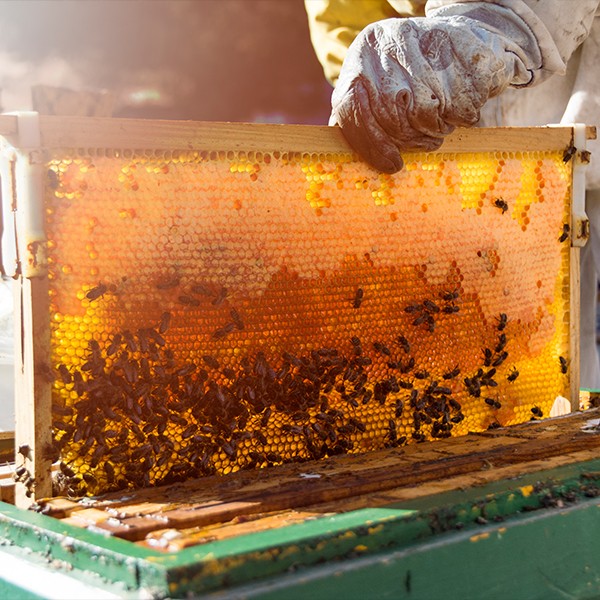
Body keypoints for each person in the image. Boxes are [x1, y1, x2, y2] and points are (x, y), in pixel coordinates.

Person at [305, 0, 600, 390]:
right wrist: (389, 80)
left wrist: (485, 26)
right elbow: (340, 15)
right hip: (457, 160)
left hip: (573, 108)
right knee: (532, 362)